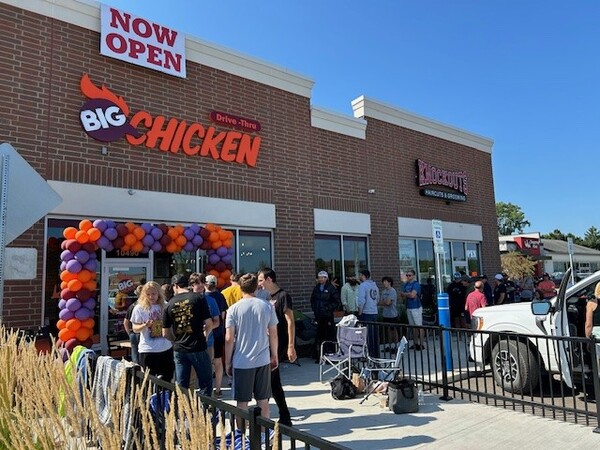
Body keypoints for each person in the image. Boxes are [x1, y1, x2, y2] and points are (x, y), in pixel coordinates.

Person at [225, 273, 278, 424]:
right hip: (262, 359)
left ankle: (241, 438)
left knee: (242, 403)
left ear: (240, 287)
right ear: (256, 287)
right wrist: (274, 355)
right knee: (263, 401)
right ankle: (264, 436)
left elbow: (229, 338)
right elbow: (273, 334)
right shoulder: (267, 306)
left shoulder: (233, 309)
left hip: (242, 361)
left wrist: (228, 362)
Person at [162, 273, 214, 393]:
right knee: (205, 383)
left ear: (175, 286)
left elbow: (165, 333)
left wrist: (176, 340)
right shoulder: (198, 298)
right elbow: (209, 323)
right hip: (197, 345)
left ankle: (183, 410)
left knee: (181, 386)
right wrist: (205, 336)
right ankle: (204, 409)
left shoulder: (169, 304)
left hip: (179, 349)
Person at [258, 268, 295, 427]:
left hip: (278, 343)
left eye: (260, 280)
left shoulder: (283, 296)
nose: (258, 283)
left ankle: (265, 415)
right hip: (265, 343)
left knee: (269, 380)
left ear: (269, 279)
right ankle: (284, 416)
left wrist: (291, 346)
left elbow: (290, 321)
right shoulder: (264, 296)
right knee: (273, 382)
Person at [131, 281, 174, 380]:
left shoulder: (166, 305)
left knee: (167, 379)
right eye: (148, 294)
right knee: (148, 381)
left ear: (159, 293)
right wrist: (145, 325)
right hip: (148, 349)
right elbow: (134, 328)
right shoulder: (139, 308)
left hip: (165, 348)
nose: (151, 297)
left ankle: (164, 395)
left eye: (153, 294)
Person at [203, 274, 228, 398]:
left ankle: (206, 389)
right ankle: (218, 388)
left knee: (206, 363)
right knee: (218, 361)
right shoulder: (221, 296)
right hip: (219, 333)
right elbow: (223, 315)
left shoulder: (202, 298)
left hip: (208, 333)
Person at [189, 272, 220, 365]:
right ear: (192, 285)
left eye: (203, 283)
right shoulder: (187, 300)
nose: (201, 285)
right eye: (198, 283)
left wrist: (207, 327)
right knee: (192, 375)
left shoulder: (211, 300)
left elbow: (217, 321)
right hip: (191, 343)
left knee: (207, 373)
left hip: (208, 342)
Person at [310, 271, 339, 361]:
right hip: (319, 316)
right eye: (319, 277)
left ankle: (330, 354)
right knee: (320, 336)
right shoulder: (316, 288)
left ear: (326, 278)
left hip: (328, 316)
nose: (321, 279)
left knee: (329, 335)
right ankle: (320, 355)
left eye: (323, 277)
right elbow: (312, 300)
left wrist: (327, 308)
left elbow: (336, 302)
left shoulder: (331, 288)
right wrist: (315, 309)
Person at [400, 269, 424, 350]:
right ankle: (415, 343)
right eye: (407, 275)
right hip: (409, 306)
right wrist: (408, 294)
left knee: (419, 326)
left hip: (416, 307)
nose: (408, 277)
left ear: (413, 276)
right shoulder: (406, 284)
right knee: (413, 326)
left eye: (409, 275)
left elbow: (413, 295)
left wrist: (406, 294)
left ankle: (421, 343)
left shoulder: (416, 284)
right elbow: (402, 294)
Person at [123, 284, 142, 364]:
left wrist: (130, 334)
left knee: (135, 355)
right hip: (141, 333)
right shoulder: (142, 306)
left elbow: (125, 322)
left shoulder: (132, 306)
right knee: (141, 355)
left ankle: (135, 372)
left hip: (133, 333)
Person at [378, 276, 399, 351]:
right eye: (383, 282)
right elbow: (380, 302)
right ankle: (389, 346)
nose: (384, 283)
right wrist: (385, 302)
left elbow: (388, 302)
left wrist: (385, 302)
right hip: (385, 314)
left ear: (389, 282)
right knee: (388, 330)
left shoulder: (392, 291)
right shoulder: (383, 292)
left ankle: (396, 346)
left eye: (385, 281)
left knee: (394, 330)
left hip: (392, 314)